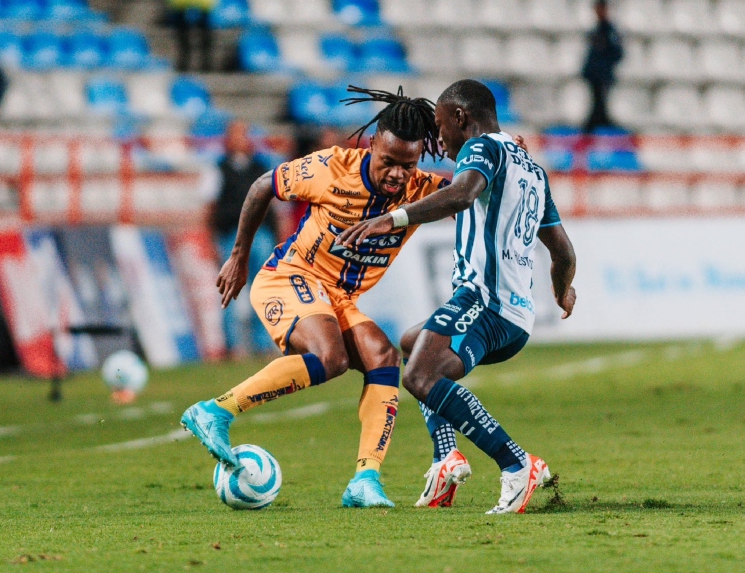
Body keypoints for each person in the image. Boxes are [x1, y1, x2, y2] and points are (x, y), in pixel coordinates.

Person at [181, 86, 448, 507]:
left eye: (408, 165)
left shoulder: (419, 189)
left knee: (384, 356)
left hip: (337, 297)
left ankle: (365, 481)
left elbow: (469, 192)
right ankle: (215, 411)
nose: (398, 174)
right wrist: (238, 254)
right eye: (389, 162)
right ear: (373, 143)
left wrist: (502, 158)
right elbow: (261, 187)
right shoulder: (331, 168)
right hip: (290, 276)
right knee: (333, 358)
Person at [336, 79, 578, 514]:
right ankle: (446, 459)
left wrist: (391, 219)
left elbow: (461, 194)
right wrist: (563, 292)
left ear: (461, 118)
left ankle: (517, 464)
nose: (439, 139)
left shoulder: (481, 149)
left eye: (441, 125)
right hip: (515, 317)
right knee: (414, 344)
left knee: (419, 379)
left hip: (484, 301)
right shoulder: (532, 168)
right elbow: (563, 252)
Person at [203, 121, 278, 356]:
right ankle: (233, 346)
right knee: (230, 289)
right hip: (231, 236)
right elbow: (209, 208)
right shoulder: (217, 169)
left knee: (262, 288)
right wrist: (210, 241)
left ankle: (263, 344)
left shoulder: (261, 167)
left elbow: (276, 205)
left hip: (261, 234)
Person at [581, 0, 624, 132]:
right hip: (594, 74)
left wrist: (605, 65)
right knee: (596, 101)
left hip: (602, 74)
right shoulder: (597, 30)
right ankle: (597, 124)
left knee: (600, 101)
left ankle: (594, 126)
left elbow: (618, 53)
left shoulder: (609, 31)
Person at [169, 0, 218, 72]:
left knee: (203, 36)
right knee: (184, 36)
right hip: (185, 5)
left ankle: (204, 62)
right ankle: (203, 63)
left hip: (200, 5)